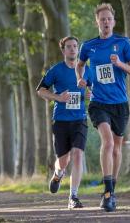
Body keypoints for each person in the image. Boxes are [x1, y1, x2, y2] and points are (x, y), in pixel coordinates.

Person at [75, 3, 130, 212]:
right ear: (97, 22)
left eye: (108, 19)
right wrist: (81, 79)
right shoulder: (88, 46)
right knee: (108, 142)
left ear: (114, 21)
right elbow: (80, 64)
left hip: (120, 103)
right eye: (101, 19)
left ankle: (112, 189)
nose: (105, 22)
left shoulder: (123, 43)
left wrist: (120, 64)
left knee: (117, 148)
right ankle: (107, 193)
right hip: (98, 102)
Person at [37, 36, 91, 209]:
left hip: (80, 119)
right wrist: (58, 97)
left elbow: (95, 90)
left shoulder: (86, 70)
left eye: (75, 46)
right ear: (63, 50)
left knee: (77, 155)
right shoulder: (56, 71)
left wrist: (91, 94)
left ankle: (73, 197)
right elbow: (40, 91)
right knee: (63, 160)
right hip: (61, 120)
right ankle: (58, 174)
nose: (73, 49)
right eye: (69, 47)